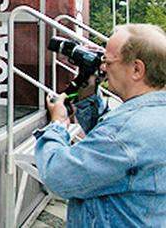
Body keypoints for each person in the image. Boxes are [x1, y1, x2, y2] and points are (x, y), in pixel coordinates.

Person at [35, 24, 166, 227]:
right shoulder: (152, 116)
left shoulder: (124, 133)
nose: (102, 68)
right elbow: (112, 145)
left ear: (137, 69)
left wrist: (58, 125)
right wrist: (87, 97)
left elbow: (58, 175)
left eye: (108, 61)